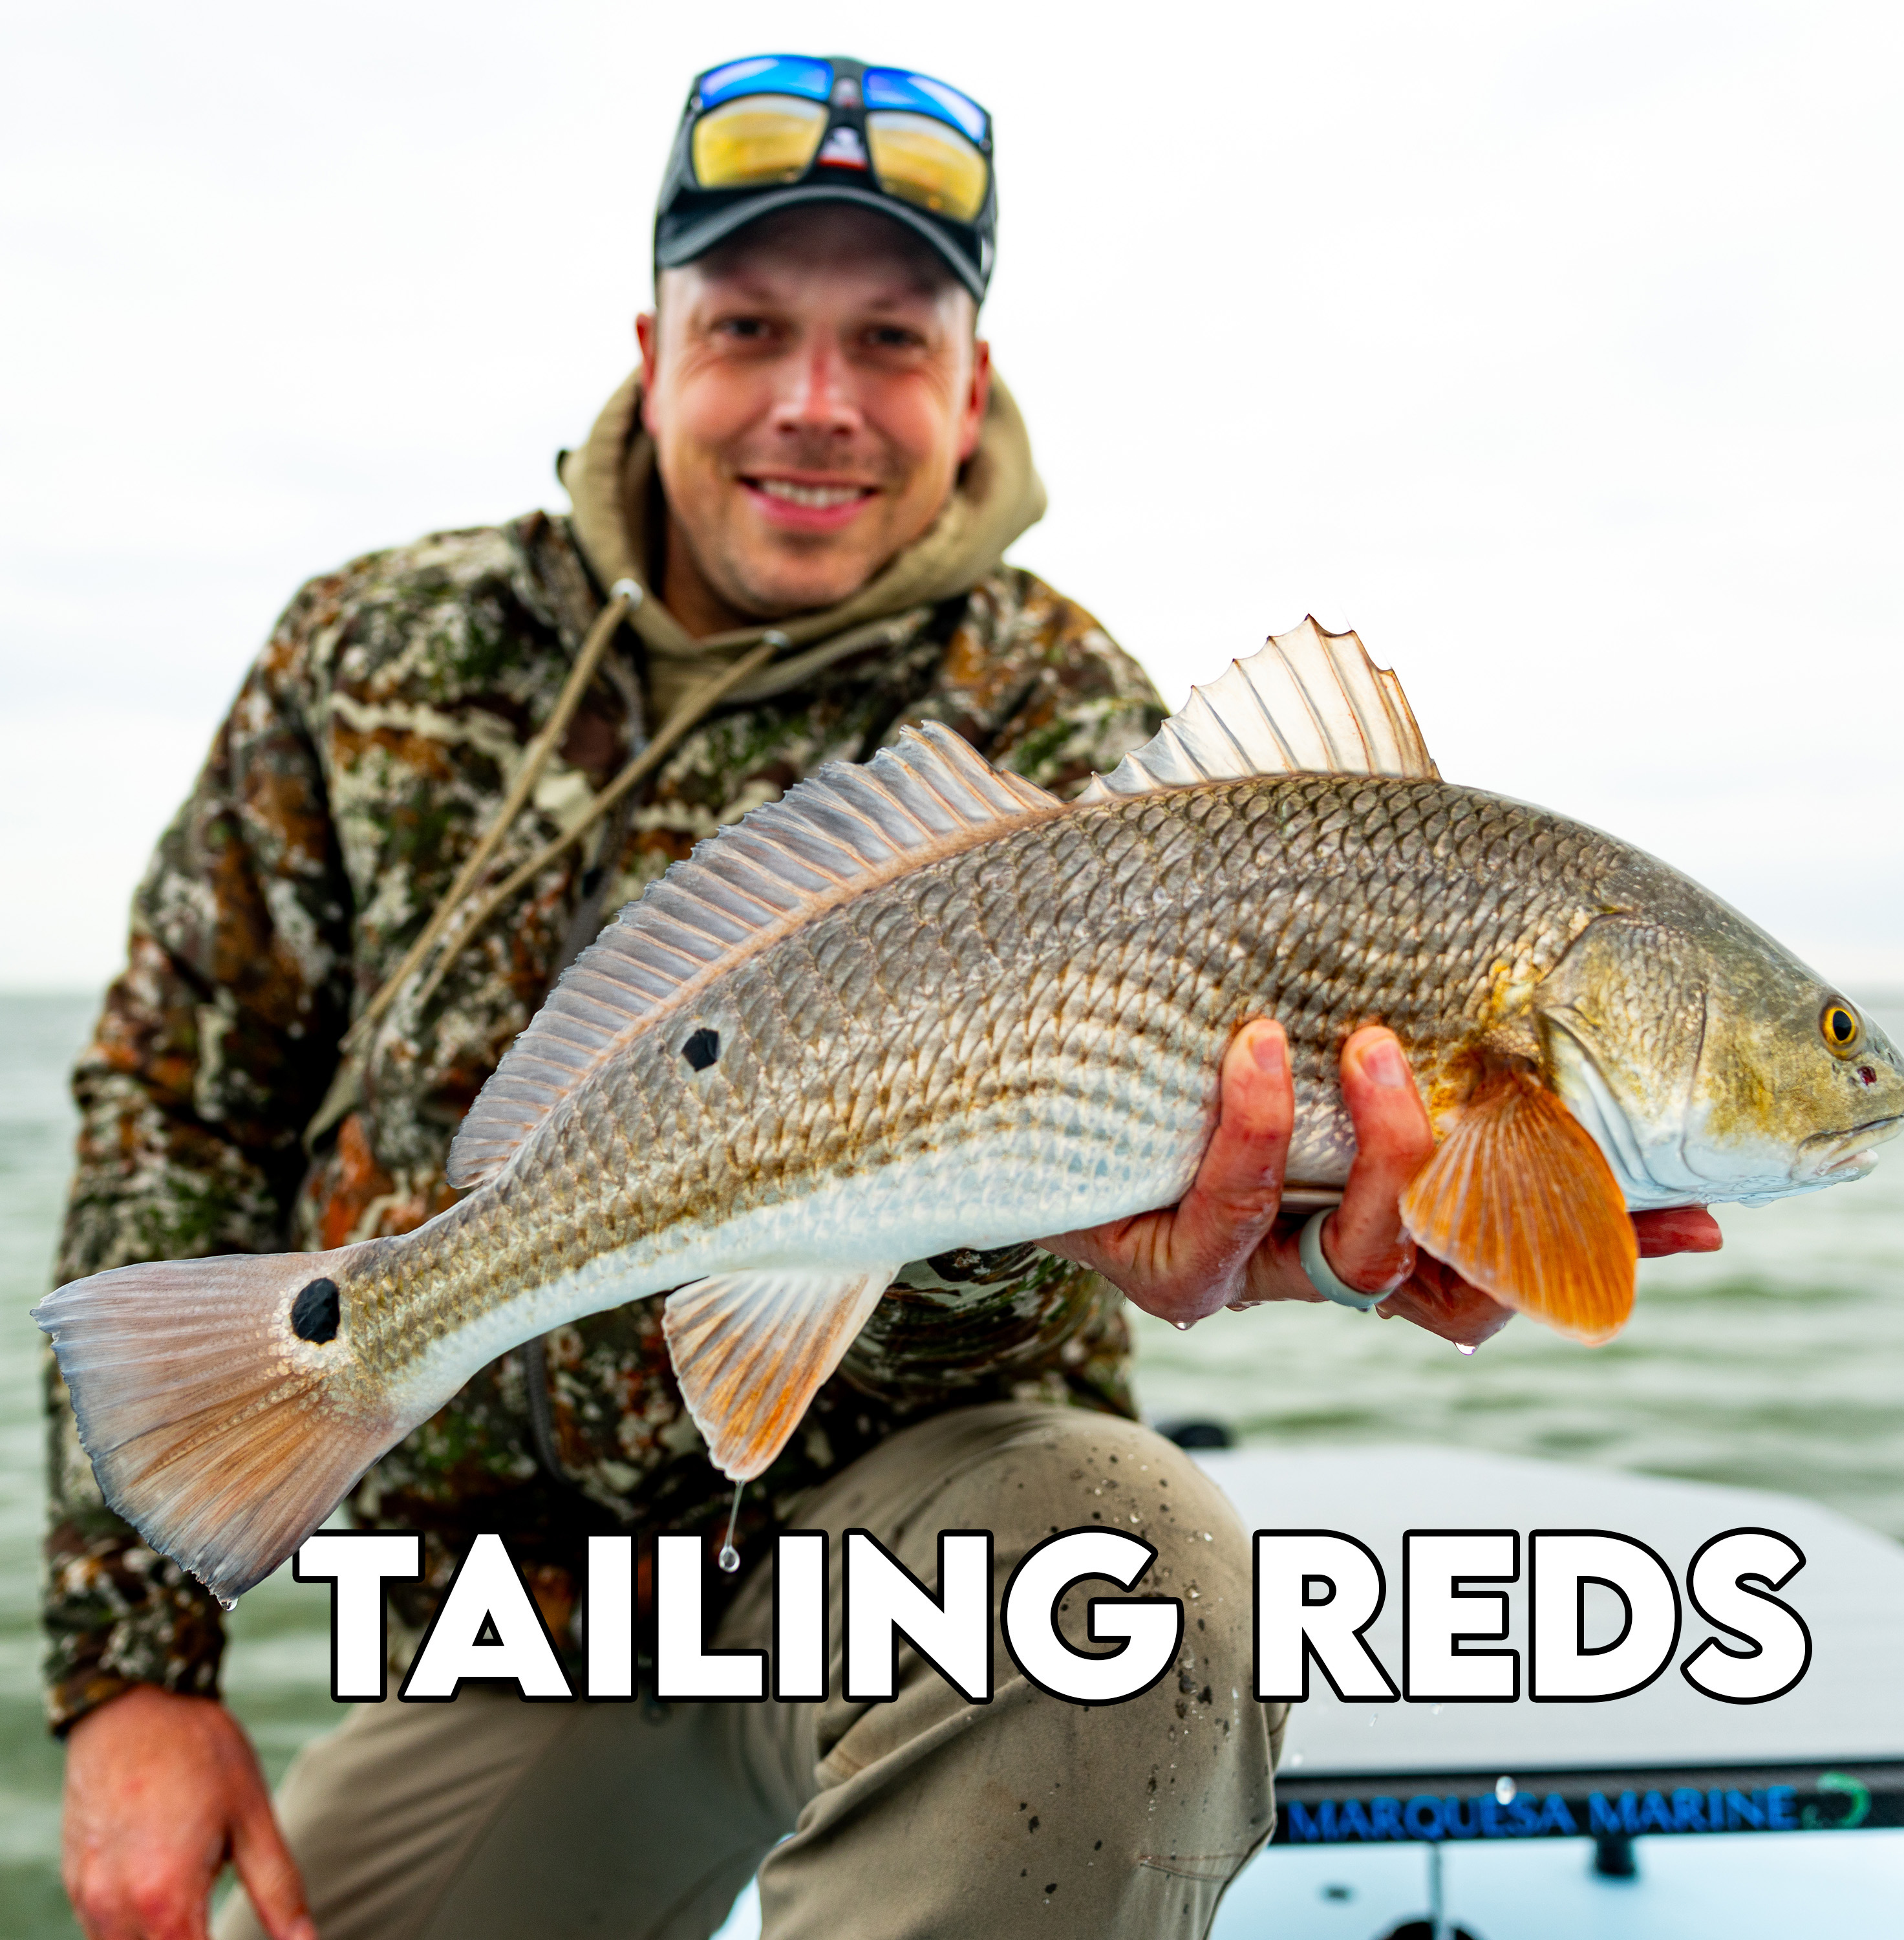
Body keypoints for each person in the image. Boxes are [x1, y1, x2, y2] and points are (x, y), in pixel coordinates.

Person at [46, 51, 1720, 1940]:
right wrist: (133, 1668)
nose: (817, 403)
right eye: (753, 322)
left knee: (1131, 1564)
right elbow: (177, 1104)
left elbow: (1101, 1180)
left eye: (894, 339)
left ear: (974, 380)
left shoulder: (1071, 718)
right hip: (524, 1631)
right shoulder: (373, 650)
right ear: (653, 342)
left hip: (916, 1548)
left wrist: (1168, 1239)